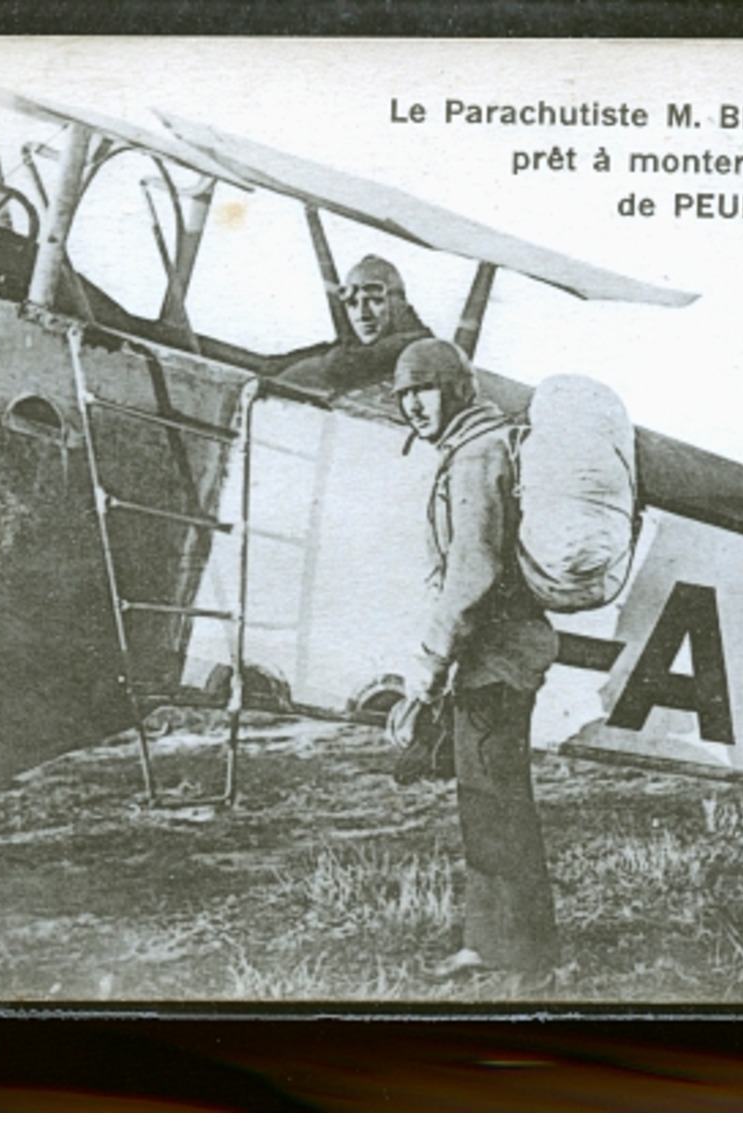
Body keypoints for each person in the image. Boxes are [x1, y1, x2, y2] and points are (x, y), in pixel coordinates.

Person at [384, 338, 561, 988]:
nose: (413, 407)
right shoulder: (477, 446)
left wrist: (425, 675)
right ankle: (495, 943)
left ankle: (524, 957)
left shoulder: (477, 456)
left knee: (497, 806)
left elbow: (474, 572)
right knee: (487, 806)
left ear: (457, 388)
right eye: (403, 395)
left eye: (423, 390)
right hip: (493, 660)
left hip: (497, 663)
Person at [270, 255, 433, 392]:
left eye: (375, 301)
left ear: (398, 304)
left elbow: (338, 365)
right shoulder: (358, 346)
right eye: (353, 304)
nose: (362, 315)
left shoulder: (419, 348)